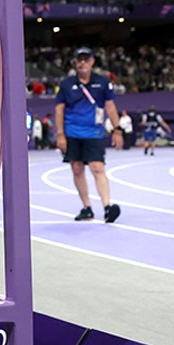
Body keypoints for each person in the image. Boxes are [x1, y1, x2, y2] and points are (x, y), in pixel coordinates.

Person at [54, 47, 123, 222]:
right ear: (75, 63)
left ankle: (107, 207)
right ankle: (87, 208)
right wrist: (60, 135)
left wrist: (117, 129)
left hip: (94, 132)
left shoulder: (103, 82)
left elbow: (110, 106)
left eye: (86, 59)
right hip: (72, 132)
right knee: (77, 169)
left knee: (97, 168)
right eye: (79, 59)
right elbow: (59, 109)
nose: (82, 62)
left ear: (92, 61)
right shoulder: (66, 84)